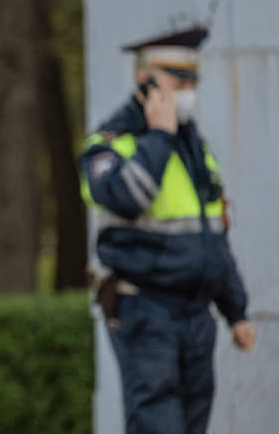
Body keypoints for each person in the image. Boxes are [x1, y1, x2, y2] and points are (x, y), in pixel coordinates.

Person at [81, 26, 256, 434]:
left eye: (192, 81)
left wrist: (236, 312)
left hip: (196, 315)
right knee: (157, 425)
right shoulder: (110, 145)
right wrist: (159, 136)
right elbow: (126, 197)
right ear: (145, 81)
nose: (188, 90)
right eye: (178, 81)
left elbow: (212, 235)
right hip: (145, 311)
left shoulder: (194, 147)